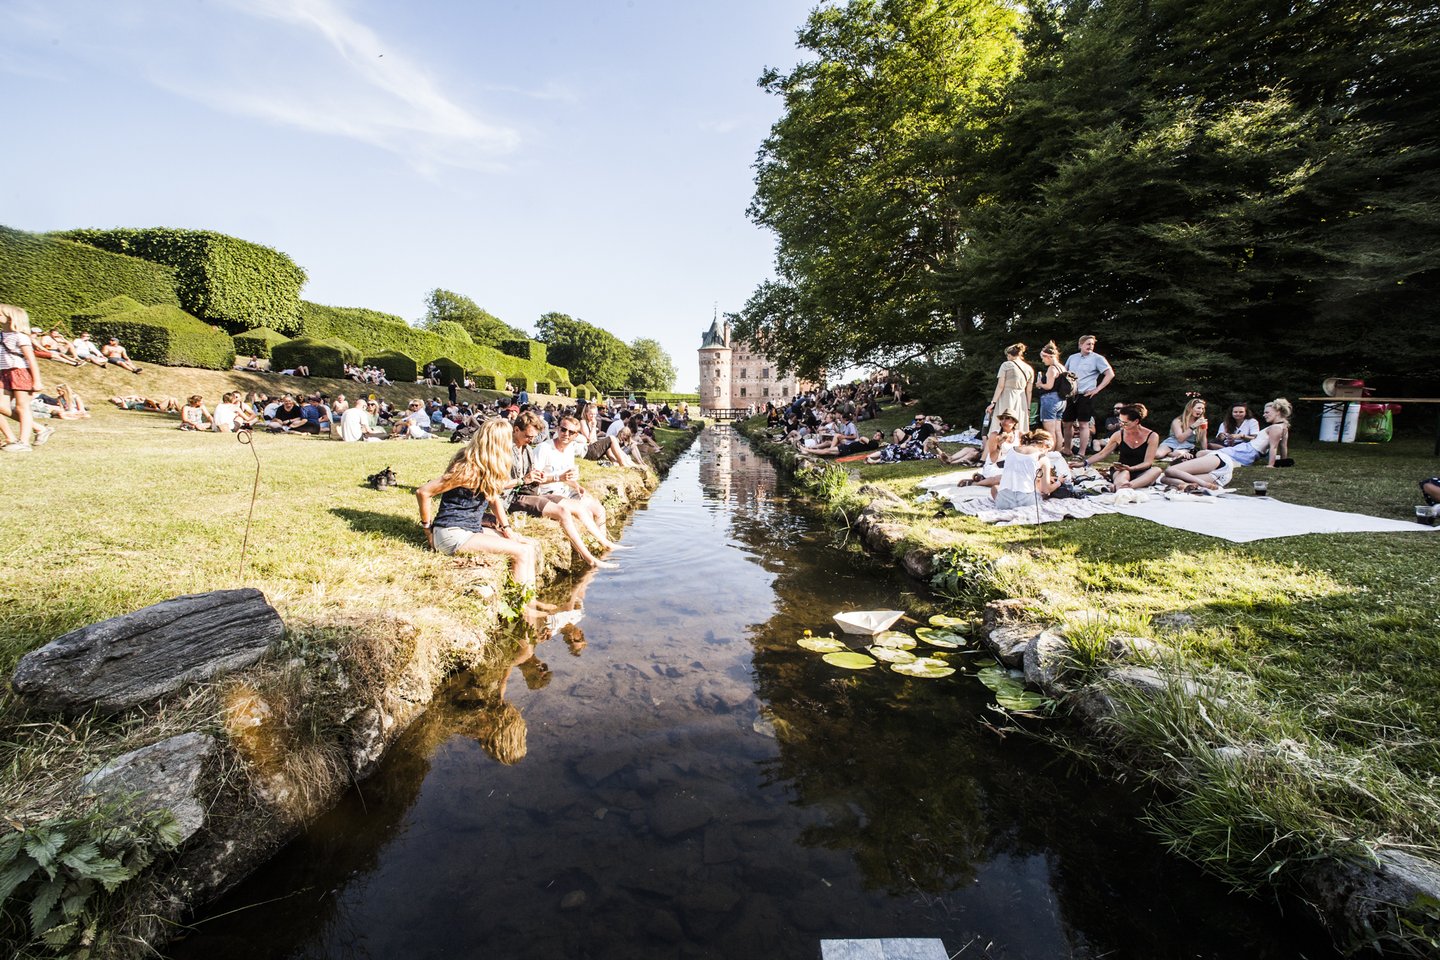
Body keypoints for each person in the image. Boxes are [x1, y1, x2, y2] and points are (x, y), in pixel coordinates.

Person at [416, 418, 540, 588]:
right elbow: (424, 492)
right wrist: (427, 529)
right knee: (521, 552)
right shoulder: (468, 469)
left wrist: (507, 529)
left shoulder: (488, 466)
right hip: (452, 534)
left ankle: (530, 598)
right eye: (508, 439)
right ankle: (525, 606)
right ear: (498, 443)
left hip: (471, 529)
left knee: (528, 545)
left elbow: (493, 497)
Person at [506, 411, 618, 569]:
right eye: (563, 430)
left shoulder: (528, 449)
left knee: (596, 508)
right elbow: (511, 484)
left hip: (538, 491)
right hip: (534, 493)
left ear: (575, 435)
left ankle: (603, 548)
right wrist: (527, 480)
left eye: (571, 432)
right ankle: (592, 558)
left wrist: (576, 485)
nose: (531, 440)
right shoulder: (534, 449)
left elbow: (536, 479)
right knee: (567, 511)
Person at [1164, 398, 1292, 491]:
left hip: (1244, 452)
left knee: (1179, 466)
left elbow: (1275, 447)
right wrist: (1284, 461)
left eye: (1267, 412)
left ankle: (1195, 473)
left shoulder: (1275, 427)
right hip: (1227, 469)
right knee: (1168, 477)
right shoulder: (1283, 427)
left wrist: (1271, 465)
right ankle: (1190, 477)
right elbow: (1283, 446)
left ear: (1278, 412)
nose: (1264, 415)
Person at [0, 305, 55, 452]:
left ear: (11, 318)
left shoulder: (21, 336)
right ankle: (13, 437)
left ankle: (24, 442)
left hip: (19, 372)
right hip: (3, 373)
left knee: (21, 407)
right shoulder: (1, 335)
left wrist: (37, 381)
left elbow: (31, 359)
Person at [1081, 403, 1161, 489]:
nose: (1121, 424)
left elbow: (1147, 462)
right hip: (1121, 470)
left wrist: (1132, 469)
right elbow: (1102, 454)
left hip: (1141, 471)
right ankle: (1124, 487)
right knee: (1124, 473)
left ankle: (1127, 486)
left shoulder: (1152, 436)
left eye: (1125, 423)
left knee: (1157, 470)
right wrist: (1084, 463)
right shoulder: (1118, 435)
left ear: (1136, 421)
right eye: (1120, 421)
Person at [1061, 334, 1114, 458]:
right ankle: (1067, 449)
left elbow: (1110, 374)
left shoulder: (1097, 358)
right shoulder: (1072, 358)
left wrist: (1097, 389)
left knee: (1084, 424)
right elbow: (1064, 373)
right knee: (1067, 423)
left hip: (1086, 394)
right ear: (1080, 345)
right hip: (1071, 394)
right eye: (1088, 344)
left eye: (1092, 344)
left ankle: (1081, 453)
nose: (1090, 346)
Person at [992, 430, 1061, 510]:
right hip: (1027, 503)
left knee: (995, 488)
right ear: (1044, 445)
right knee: (1042, 493)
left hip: (1003, 503)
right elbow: (1045, 489)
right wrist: (1059, 482)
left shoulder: (1012, 450)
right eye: (1048, 449)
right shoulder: (1042, 458)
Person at [986, 343, 1035, 433]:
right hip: (1021, 398)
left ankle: (999, 443)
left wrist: (993, 402)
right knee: (1019, 422)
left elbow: (1000, 386)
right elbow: (1029, 391)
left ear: (1009, 355)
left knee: (1004, 421)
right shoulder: (1029, 368)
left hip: (1007, 396)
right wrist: (1028, 408)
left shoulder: (1006, 365)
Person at [1033, 341, 1068, 451]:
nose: (1043, 361)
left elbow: (1049, 386)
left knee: (1049, 431)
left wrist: (1039, 384)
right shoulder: (1062, 367)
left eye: (1043, 358)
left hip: (1050, 399)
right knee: (1058, 429)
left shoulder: (1052, 368)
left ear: (1048, 356)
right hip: (1061, 400)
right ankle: (1057, 453)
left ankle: (1050, 452)